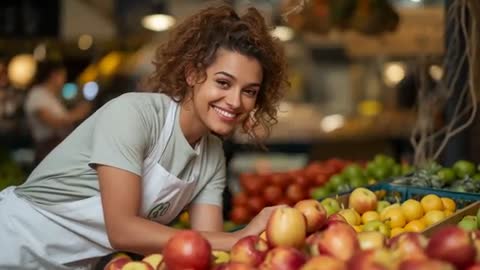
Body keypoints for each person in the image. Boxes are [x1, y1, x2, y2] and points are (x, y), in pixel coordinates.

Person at [0, 4, 288, 269]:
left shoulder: (211, 157)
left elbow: (206, 248)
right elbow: (122, 230)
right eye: (223, 82)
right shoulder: (134, 115)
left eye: (249, 91)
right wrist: (246, 235)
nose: (235, 101)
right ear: (192, 74)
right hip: (16, 246)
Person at [24, 60, 92, 165]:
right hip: (48, 150)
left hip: (57, 148)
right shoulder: (37, 94)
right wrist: (77, 114)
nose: (64, 80)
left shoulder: (51, 96)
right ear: (54, 75)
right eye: (63, 76)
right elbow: (52, 121)